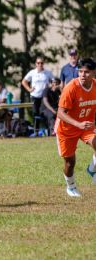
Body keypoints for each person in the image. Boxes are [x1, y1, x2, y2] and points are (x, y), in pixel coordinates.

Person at [55, 58, 96, 197]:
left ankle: (92, 169)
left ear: (94, 73)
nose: (83, 75)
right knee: (70, 162)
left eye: (86, 72)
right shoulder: (71, 88)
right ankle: (71, 187)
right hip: (67, 129)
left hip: (86, 125)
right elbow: (60, 113)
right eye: (80, 71)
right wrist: (78, 124)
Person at [22, 57, 54, 136]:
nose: (40, 64)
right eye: (38, 63)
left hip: (44, 97)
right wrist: (29, 89)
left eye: (41, 63)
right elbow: (24, 81)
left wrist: (50, 86)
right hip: (34, 96)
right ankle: (36, 131)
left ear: (43, 64)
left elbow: (54, 82)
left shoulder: (48, 72)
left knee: (45, 113)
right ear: (36, 64)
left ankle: (48, 130)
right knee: (35, 114)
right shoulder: (32, 72)